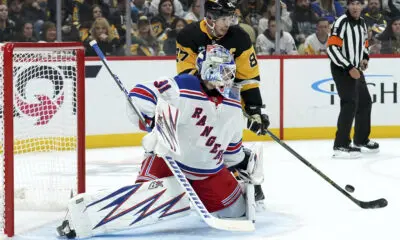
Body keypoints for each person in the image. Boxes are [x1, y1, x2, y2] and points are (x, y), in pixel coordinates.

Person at [130, 45, 262, 219]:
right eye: (224, 71)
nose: (229, 78)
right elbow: (139, 94)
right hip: (168, 162)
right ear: (209, 69)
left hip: (209, 172)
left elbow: (231, 152)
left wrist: (240, 161)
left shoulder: (233, 105)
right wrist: (154, 120)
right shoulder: (183, 85)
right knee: (142, 205)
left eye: (230, 72)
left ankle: (241, 183)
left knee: (235, 214)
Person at [176, 0, 269, 137]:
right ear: (210, 17)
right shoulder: (189, 35)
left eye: (230, 18)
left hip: (227, 101)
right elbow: (186, 76)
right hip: (196, 101)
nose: (227, 24)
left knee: (228, 144)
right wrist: (213, 88)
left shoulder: (240, 37)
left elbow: (247, 78)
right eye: (223, 19)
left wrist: (254, 109)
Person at [327, 0, 379, 159]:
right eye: (352, 4)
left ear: (362, 6)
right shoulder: (340, 23)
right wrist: (349, 67)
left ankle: (360, 140)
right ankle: (340, 145)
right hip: (342, 69)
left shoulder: (362, 23)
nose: (355, 7)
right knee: (349, 103)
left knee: (365, 102)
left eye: (358, 3)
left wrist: (364, 58)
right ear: (348, 6)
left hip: (355, 69)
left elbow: (365, 43)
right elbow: (332, 48)